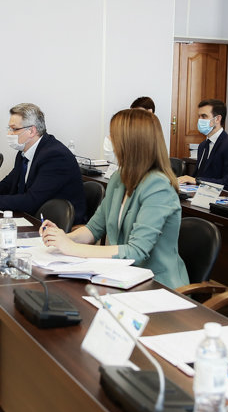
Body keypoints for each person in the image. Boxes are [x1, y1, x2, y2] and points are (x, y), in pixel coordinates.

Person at [39, 108, 188, 288]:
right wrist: (62, 239)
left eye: (113, 136)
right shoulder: (119, 178)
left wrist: (71, 248)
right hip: (122, 275)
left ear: (131, 143)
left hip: (157, 284)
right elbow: (94, 229)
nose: (109, 140)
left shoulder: (158, 186)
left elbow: (136, 251)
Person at [0, 103, 87, 224]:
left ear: (31, 131)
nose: (9, 133)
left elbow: (31, 200)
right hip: (31, 215)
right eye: (9, 128)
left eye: (14, 129)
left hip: (56, 224)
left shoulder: (55, 156)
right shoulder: (24, 151)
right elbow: (8, 184)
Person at [177, 99, 228, 194]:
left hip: (221, 197)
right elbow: (198, 176)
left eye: (204, 116)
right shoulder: (202, 146)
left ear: (217, 119)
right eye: (199, 116)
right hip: (200, 194)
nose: (200, 120)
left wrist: (196, 181)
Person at [103, 96, 155, 164]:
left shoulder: (153, 135)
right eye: (133, 114)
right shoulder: (125, 132)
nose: (134, 118)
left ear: (150, 113)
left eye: (139, 114)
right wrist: (111, 142)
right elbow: (111, 161)